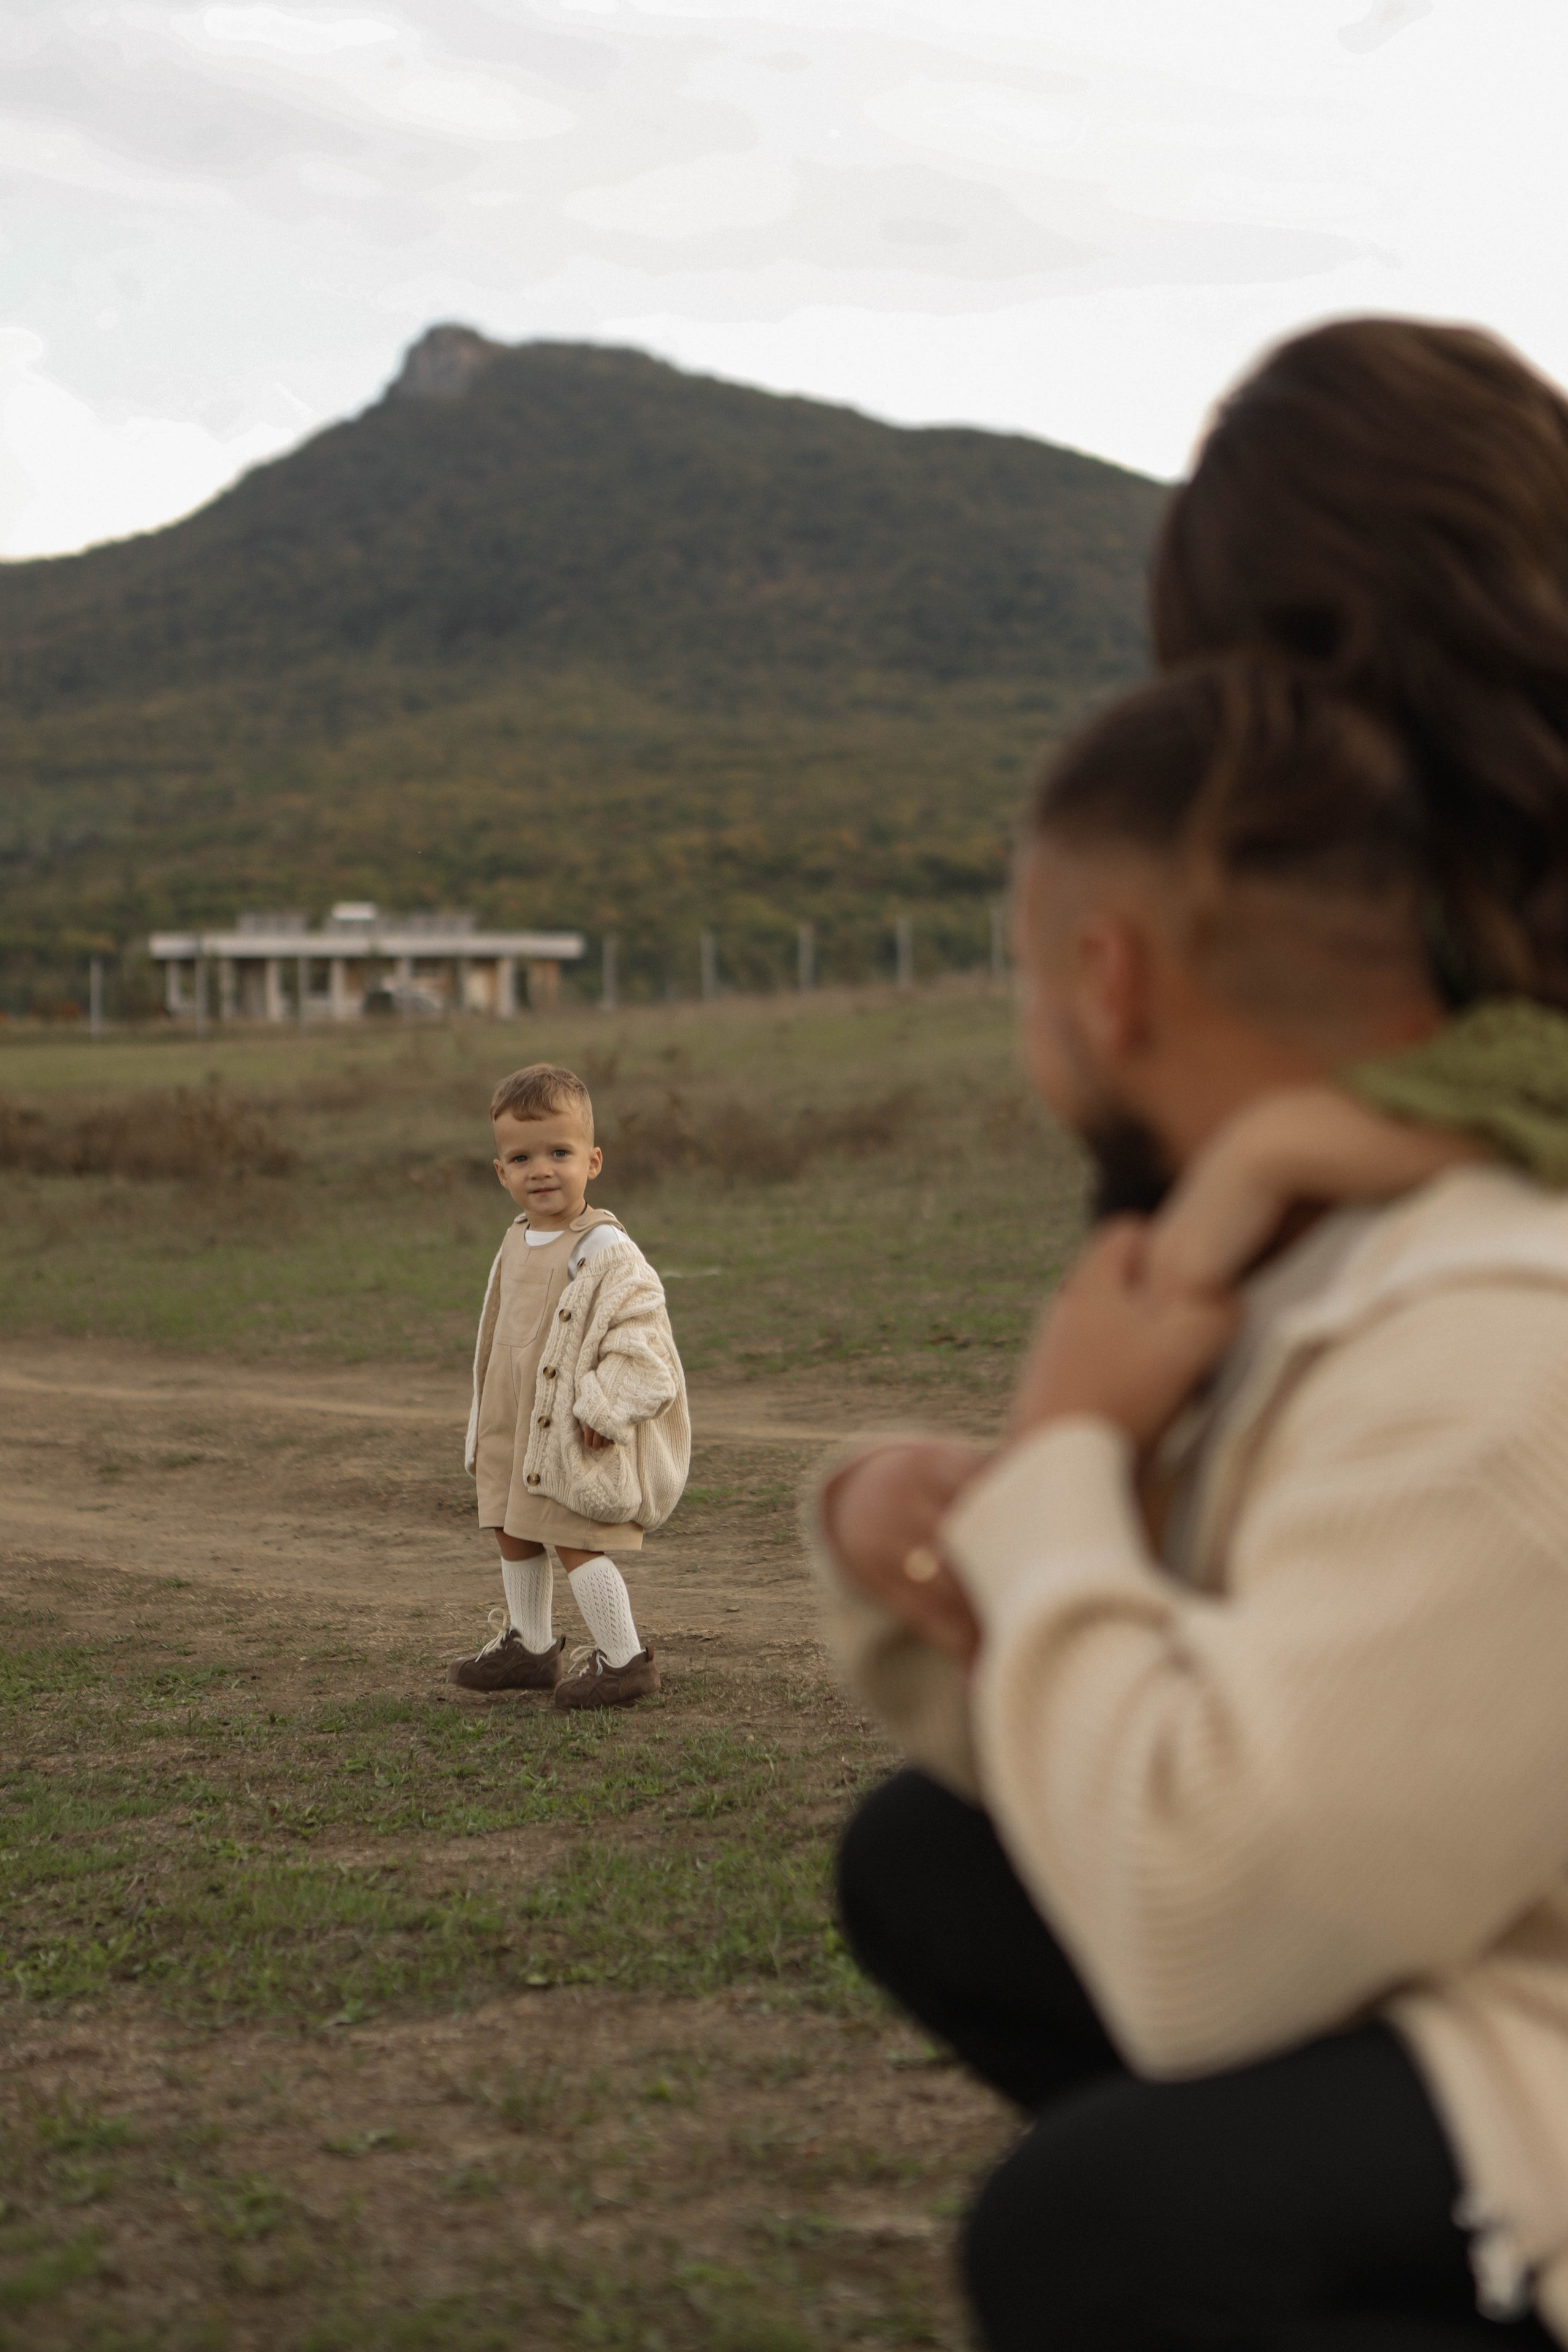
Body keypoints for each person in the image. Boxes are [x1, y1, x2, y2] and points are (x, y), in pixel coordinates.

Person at [820, 639, 1568, 2350]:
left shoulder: (1496, 1339)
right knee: (936, 1860)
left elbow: (1202, 1934)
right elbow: (1166, 1725)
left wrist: (1071, 1455)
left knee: (1108, 2237)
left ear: (1107, 982)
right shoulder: (1322, 1260)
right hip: (1499, 1929)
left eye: (1020, 982)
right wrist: (935, 1527)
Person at [447, 1063, 689, 1709]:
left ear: (594, 1160)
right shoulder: (516, 1238)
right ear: (501, 1172)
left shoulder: (602, 1245)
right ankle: (530, 1648)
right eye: (521, 1157)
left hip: (568, 1418)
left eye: (560, 1152)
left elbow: (642, 1336)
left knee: (574, 1536)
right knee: (511, 1526)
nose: (542, 1170)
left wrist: (606, 1406)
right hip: (512, 1410)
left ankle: (624, 1660)